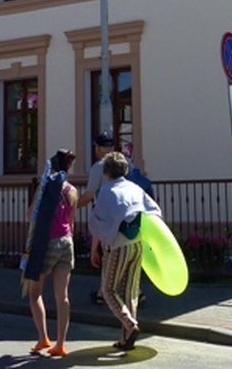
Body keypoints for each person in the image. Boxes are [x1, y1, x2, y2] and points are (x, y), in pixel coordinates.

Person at [88, 151, 161, 351]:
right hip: (137, 245)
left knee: (109, 290)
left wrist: (94, 250)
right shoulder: (135, 188)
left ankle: (130, 325)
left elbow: (97, 223)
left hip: (116, 247)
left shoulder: (106, 191)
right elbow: (154, 212)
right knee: (130, 291)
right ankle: (126, 338)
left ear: (106, 172)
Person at [26, 149, 78, 358]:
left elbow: (31, 214)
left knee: (35, 293)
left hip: (47, 243)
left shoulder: (45, 187)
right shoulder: (72, 191)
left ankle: (43, 337)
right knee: (62, 296)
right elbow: (71, 222)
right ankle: (60, 344)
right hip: (67, 242)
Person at [77, 131, 115, 304]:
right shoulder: (125, 163)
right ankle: (137, 291)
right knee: (122, 252)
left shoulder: (99, 167)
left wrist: (72, 206)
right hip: (127, 214)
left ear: (99, 149)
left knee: (106, 254)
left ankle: (103, 293)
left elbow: (89, 194)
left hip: (106, 217)